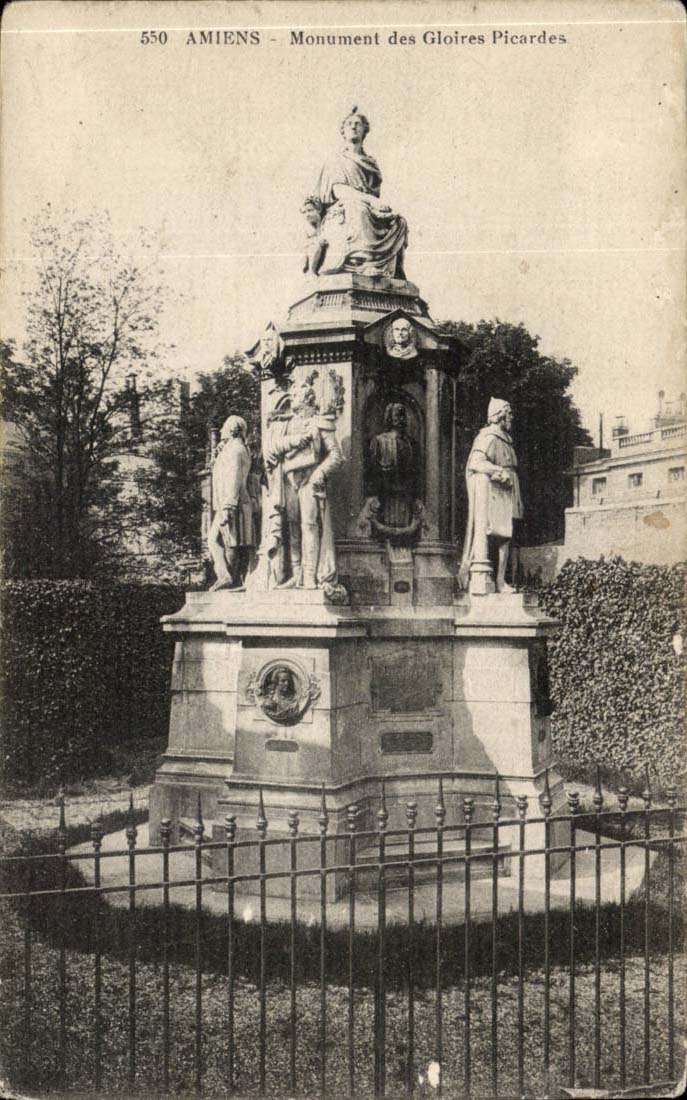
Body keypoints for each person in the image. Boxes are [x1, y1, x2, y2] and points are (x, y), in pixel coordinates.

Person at [304, 107, 408, 279]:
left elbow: (375, 194)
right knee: (359, 209)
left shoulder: (370, 163)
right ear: (343, 132)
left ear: (364, 131)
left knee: (399, 221)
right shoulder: (336, 160)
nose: (353, 127)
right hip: (345, 205)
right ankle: (364, 264)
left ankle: (394, 270)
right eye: (349, 124)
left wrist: (375, 204)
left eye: (358, 124)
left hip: (368, 205)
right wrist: (370, 201)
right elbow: (339, 191)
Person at [263, 380, 345, 589]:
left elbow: (336, 456)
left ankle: (309, 575)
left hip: (310, 478)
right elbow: (272, 450)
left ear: (308, 399)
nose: (292, 398)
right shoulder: (286, 424)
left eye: (297, 395)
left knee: (309, 526)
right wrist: (295, 441)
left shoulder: (320, 423)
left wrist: (320, 472)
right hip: (289, 480)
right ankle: (296, 574)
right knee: (292, 527)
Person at [459, 398, 523, 594]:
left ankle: (503, 580)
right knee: (497, 534)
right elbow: (476, 463)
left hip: (510, 487)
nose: (511, 417)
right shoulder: (488, 436)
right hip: (495, 490)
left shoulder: (506, 438)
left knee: (508, 536)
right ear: (500, 415)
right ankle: (491, 578)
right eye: (509, 413)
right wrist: (498, 471)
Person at [207, 415, 256, 590]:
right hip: (230, 503)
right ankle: (227, 577)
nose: (221, 430)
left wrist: (228, 506)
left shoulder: (236, 450)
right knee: (221, 541)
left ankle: (228, 578)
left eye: (224, 427)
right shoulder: (233, 449)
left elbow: (234, 478)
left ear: (233, 430)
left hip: (233, 503)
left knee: (227, 542)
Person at [369, 403, 419, 528]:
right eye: (398, 415)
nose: (402, 419)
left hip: (406, 497)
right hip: (386, 498)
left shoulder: (411, 443)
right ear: (390, 418)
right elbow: (372, 472)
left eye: (403, 416)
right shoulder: (380, 441)